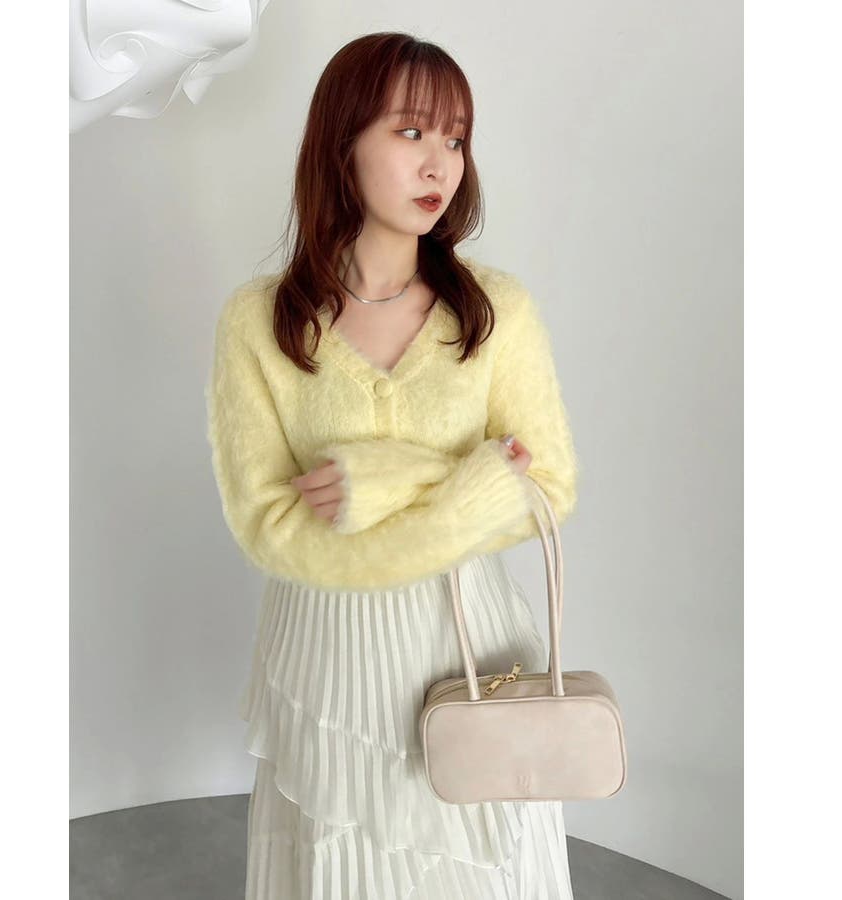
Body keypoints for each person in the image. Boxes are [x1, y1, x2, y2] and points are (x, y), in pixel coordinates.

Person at [206, 31, 580, 900]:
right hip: (328, 662)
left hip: (469, 651)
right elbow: (265, 524)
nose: (439, 162)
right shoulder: (257, 321)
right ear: (342, 144)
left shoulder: (497, 310)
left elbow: (549, 483)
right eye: (411, 131)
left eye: (456, 138)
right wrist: (463, 485)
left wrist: (393, 484)